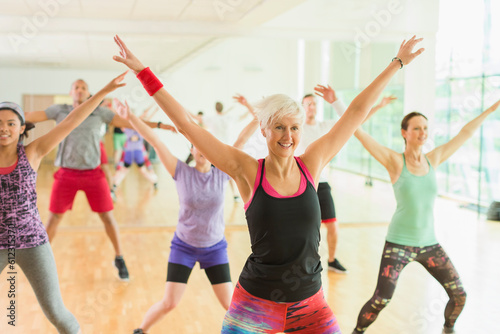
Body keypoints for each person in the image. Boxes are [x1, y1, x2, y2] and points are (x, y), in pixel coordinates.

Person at [113, 34, 424, 333]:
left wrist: (397, 62)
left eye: (294, 128)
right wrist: (143, 72)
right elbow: (185, 125)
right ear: (263, 129)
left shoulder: (312, 163)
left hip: (310, 303)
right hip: (256, 302)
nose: (288, 137)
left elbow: (356, 113)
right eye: (278, 127)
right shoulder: (246, 169)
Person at [349, 97, 500, 333]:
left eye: (426, 128)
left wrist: (492, 108)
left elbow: (465, 133)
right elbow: (356, 130)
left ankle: (448, 329)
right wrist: (375, 107)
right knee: (381, 300)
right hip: (398, 244)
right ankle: (357, 331)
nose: (422, 133)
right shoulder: (394, 161)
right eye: (416, 128)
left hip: (429, 245)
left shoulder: (434, 159)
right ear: (404, 133)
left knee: (459, 295)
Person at [111, 99, 258, 334]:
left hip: (214, 248)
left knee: (230, 305)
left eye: (207, 145)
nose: (202, 149)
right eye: (197, 145)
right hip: (184, 247)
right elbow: (155, 141)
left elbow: (241, 141)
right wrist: (130, 117)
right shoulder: (180, 171)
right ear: (192, 149)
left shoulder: (222, 174)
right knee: (170, 302)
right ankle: (140, 330)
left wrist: (258, 117)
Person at [0, 72, 127, 334]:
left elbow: (72, 121)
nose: (4, 128)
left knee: (56, 313)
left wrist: (102, 92)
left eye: (11, 123)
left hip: (33, 242)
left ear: (22, 128)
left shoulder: (33, 152)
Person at [25, 77, 164, 281]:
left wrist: (160, 125)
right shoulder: (59, 110)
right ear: (71, 92)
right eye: (76, 87)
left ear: (89, 93)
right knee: (53, 218)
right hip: (66, 173)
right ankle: (41, 261)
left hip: (93, 174)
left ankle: (119, 258)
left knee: (108, 217)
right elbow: (29, 116)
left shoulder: (100, 112)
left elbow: (130, 123)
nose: (79, 90)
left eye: (83, 87)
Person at [303, 88, 397, 273]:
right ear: (302, 108)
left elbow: (355, 120)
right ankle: (303, 263)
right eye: (308, 104)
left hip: (321, 183)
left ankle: (331, 260)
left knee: (333, 225)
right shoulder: (297, 127)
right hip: (304, 183)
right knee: (305, 229)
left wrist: (378, 106)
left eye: (314, 104)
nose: (312, 107)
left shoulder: (325, 126)